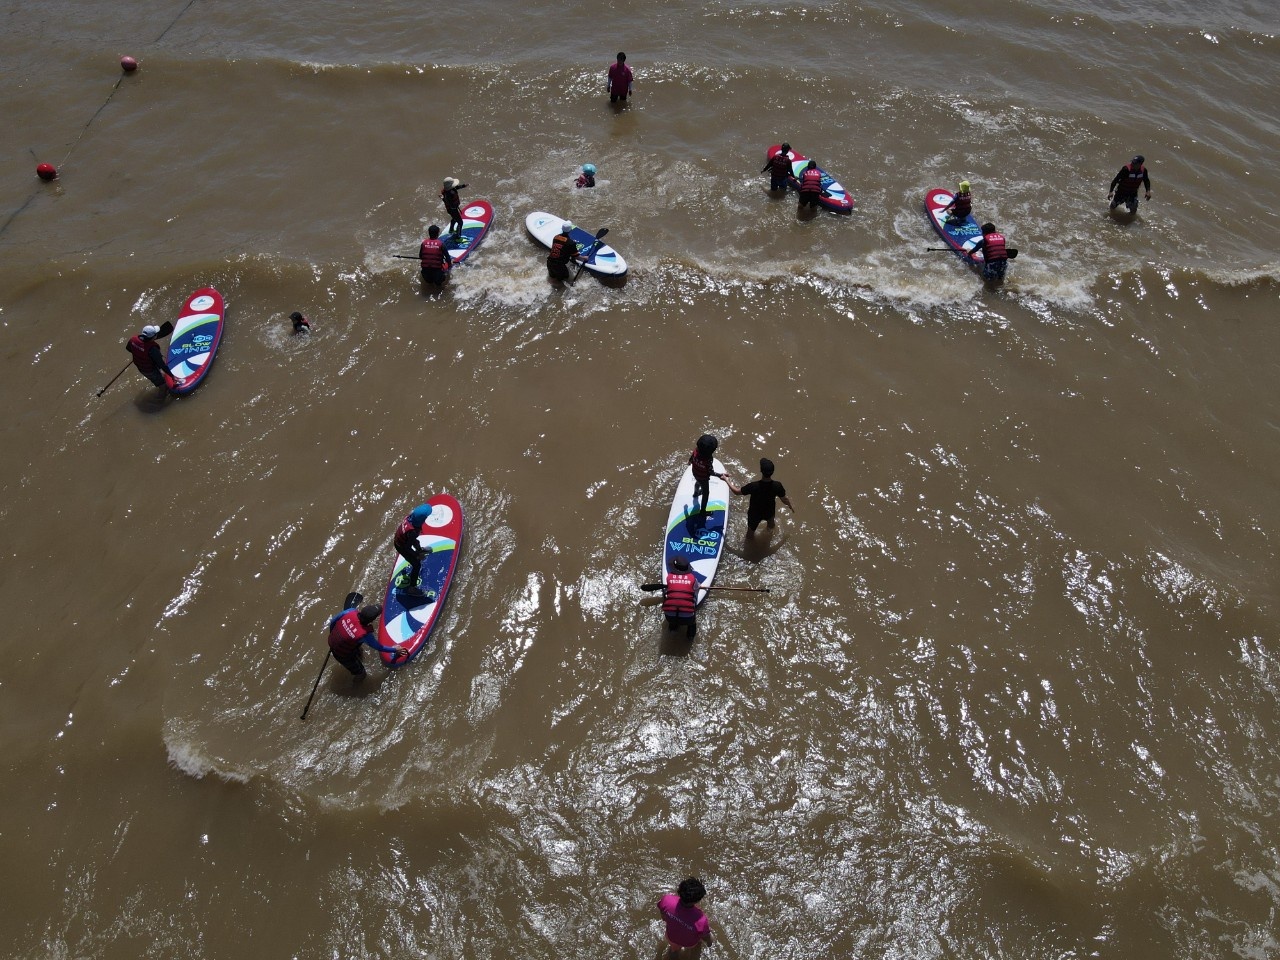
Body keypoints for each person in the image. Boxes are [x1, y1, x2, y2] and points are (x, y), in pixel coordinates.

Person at [326, 603, 407, 680]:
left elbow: (333, 621)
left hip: (332, 641)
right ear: (372, 620)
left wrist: (335, 634)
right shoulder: (365, 635)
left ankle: (355, 655)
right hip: (342, 656)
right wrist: (395, 649)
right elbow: (379, 647)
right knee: (362, 674)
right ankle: (354, 687)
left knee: (359, 651)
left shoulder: (350, 611)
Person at [724, 457, 794, 536]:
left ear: (761, 471)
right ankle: (768, 537)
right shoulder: (777, 485)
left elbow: (736, 492)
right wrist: (790, 506)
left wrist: (726, 480)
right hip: (769, 511)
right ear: (772, 472)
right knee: (771, 526)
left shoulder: (753, 486)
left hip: (754, 514)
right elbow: (784, 499)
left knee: (750, 534)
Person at [657, 877, 713, 960]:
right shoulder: (701, 919)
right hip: (689, 943)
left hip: (671, 937)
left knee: (674, 951)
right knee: (702, 940)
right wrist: (709, 942)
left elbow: (663, 914)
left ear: (679, 890)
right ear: (697, 901)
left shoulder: (667, 900)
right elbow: (705, 936)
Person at [393, 505, 437, 598]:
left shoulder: (410, 518)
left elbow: (411, 539)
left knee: (416, 542)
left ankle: (420, 550)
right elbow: (407, 548)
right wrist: (417, 556)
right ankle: (412, 589)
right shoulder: (412, 532)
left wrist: (418, 551)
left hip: (402, 540)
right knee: (417, 565)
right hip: (402, 547)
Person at [126, 324, 178, 391]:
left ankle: (159, 376)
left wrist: (138, 353)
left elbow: (128, 348)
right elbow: (162, 365)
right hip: (150, 371)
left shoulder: (133, 339)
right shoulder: (153, 349)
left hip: (140, 368)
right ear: (154, 337)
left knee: (160, 376)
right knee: (163, 386)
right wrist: (172, 376)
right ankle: (161, 396)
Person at [661, 556, 699, 639]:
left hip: (669, 616)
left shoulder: (669, 577)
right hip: (688, 617)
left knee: (673, 618)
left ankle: (672, 629)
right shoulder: (692, 578)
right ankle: (690, 636)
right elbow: (696, 589)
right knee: (692, 622)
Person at [689, 433, 722, 518]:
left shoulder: (696, 451)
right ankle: (703, 511)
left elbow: (691, 458)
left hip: (695, 473)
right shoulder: (708, 460)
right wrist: (720, 475)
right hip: (703, 478)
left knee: (697, 482)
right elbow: (711, 472)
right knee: (706, 493)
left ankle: (695, 493)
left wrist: (689, 462)